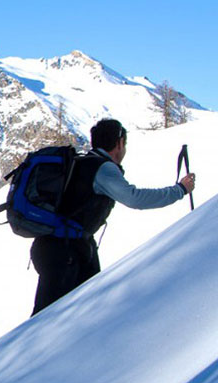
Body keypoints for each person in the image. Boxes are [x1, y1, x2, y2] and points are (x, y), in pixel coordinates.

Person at [31, 118, 196, 316]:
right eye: (124, 144)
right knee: (47, 319)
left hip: (60, 248)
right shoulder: (102, 168)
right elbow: (135, 199)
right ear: (119, 143)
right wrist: (180, 190)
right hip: (66, 252)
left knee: (69, 315)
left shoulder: (83, 162)